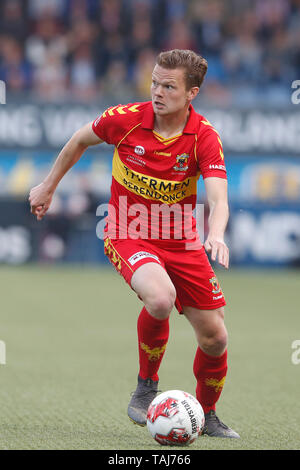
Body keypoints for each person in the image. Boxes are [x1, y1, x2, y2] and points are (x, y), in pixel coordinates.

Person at [29, 49, 239, 438]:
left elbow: (219, 198)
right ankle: (146, 386)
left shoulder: (204, 136)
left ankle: (206, 414)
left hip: (182, 240)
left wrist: (215, 234)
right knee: (159, 298)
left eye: (169, 86)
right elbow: (79, 139)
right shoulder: (124, 120)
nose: (157, 92)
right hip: (128, 230)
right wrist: (47, 186)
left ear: (191, 93)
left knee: (215, 336)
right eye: (155, 82)